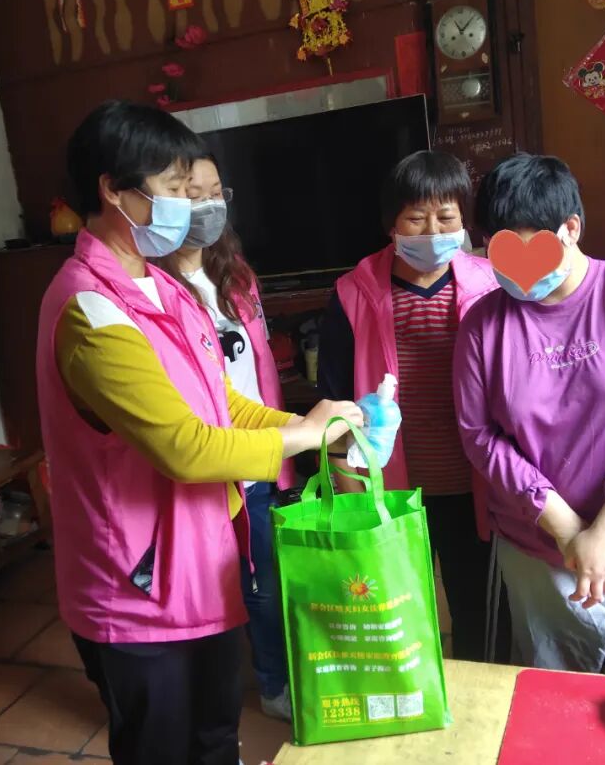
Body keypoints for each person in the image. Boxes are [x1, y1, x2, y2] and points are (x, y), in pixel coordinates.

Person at [36, 100, 361, 765]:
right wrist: (304, 438)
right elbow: (185, 447)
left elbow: (222, 404)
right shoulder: (89, 310)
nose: (191, 206)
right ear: (114, 190)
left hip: (203, 567)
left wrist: (315, 426)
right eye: (176, 189)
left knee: (216, 740)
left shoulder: (166, 289)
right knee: (163, 750)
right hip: (136, 590)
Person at [453, 153, 605, 674]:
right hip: (540, 556)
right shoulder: (482, 324)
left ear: (570, 229)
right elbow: (480, 436)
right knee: (552, 700)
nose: (510, 269)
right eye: (497, 251)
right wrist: (566, 529)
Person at [317, 150, 504, 662]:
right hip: (389, 487)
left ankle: (474, 695)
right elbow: (334, 398)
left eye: (446, 216)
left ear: (464, 221)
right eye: (417, 218)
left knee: (480, 612)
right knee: (399, 608)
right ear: (391, 224)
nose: (433, 231)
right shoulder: (352, 294)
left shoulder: (491, 285)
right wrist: (348, 481)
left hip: (474, 483)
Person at [153, 154, 295, 721]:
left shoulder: (235, 276)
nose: (208, 207)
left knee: (266, 577)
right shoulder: (155, 290)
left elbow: (254, 375)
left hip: (259, 450)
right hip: (207, 461)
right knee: (229, 581)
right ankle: (248, 687)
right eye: (192, 195)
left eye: (216, 194)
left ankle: (275, 678)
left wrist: (290, 437)